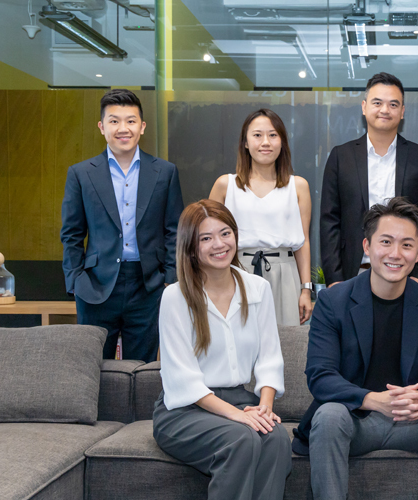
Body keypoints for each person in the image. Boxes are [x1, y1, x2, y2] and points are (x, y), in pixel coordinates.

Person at [293, 197, 418, 500]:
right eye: (386, 242)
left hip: (411, 422)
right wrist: (372, 399)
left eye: (407, 245)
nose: (396, 254)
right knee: (328, 416)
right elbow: (320, 376)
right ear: (367, 246)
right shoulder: (334, 301)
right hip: (354, 421)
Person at [152, 199, 290, 500]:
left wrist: (263, 408)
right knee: (242, 439)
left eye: (225, 233)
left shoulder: (258, 289)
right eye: (206, 238)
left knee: (277, 436)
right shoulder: (175, 297)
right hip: (184, 411)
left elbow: (269, 359)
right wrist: (238, 417)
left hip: (241, 398)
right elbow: (182, 380)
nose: (219, 244)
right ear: (191, 247)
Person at [61, 89, 183, 362]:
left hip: (148, 285)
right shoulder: (81, 173)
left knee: (142, 366)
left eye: (130, 120)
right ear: (102, 127)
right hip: (95, 285)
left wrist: (169, 280)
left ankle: (138, 409)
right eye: (114, 121)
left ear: (142, 127)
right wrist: (75, 280)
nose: (123, 128)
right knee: (93, 366)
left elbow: (175, 230)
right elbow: (71, 234)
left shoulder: (165, 172)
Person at [320, 72, 418, 288]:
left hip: (405, 274)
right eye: (377, 103)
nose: (385, 110)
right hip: (352, 275)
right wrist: (335, 279)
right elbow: (330, 220)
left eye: (393, 104)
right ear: (364, 107)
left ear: (402, 111)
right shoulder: (341, 157)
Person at [208, 109, 313, 326]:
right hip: (236, 272)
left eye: (273, 135)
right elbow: (208, 240)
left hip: (285, 274)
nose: (265, 142)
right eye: (257, 135)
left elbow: (303, 242)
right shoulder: (225, 185)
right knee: (236, 345)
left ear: (282, 142)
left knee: (287, 348)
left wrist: (306, 289)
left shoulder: (298, 186)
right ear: (245, 142)